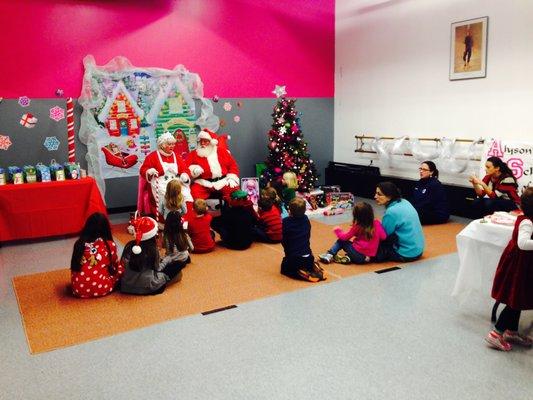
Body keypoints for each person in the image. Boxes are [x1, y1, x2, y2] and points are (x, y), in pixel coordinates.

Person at [485, 187, 533, 351]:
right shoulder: (527, 222)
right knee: (515, 300)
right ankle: (496, 333)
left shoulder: (527, 218)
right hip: (520, 265)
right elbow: (523, 243)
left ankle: (511, 331)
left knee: (518, 298)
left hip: (523, 264)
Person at [120, 216, 184, 295]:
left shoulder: (128, 246)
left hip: (126, 286)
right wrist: (167, 259)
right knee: (178, 265)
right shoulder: (152, 250)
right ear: (152, 236)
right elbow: (158, 268)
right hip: (148, 287)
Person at [139, 131, 192, 219]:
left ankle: (185, 219)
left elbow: (185, 169)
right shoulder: (152, 156)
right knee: (164, 198)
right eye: (169, 144)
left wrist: (185, 175)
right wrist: (149, 171)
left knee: (186, 195)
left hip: (175, 182)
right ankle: (165, 220)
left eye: (173, 144)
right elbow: (143, 170)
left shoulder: (176, 156)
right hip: (160, 183)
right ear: (162, 145)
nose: (172, 146)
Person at [70, 212, 123, 298]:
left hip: (77, 289)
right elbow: (114, 266)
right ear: (106, 229)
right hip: (102, 288)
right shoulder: (109, 244)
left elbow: (74, 266)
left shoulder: (79, 244)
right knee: (122, 267)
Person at [319, 202, 386, 265]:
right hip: (368, 258)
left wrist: (338, 230)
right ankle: (349, 257)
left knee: (341, 241)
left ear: (356, 215)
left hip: (358, 255)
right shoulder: (377, 223)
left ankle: (329, 255)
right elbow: (383, 237)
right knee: (354, 248)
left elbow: (345, 237)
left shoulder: (357, 226)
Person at [373, 182, 425, 262]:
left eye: (379, 194)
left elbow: (383, 236)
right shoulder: (404, 202)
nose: (375, 197)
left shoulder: (391, 212)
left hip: (405, 254)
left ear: (389, 197)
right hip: (418, 250)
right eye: (376, 193)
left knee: (369, 248)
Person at [186, 129, 240, 202]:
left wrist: (232, 178)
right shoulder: (194, 154)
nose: (202, 143)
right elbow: (185, 168)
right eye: (200, 141)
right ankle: (201, 213)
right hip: (203, 183)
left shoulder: (222, 151)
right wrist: (193, 170)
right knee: (193, 194)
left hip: (222, 181)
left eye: (205, 141)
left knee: (235, 192)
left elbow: (233, 166)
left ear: (211, 142)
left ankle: (233, 212)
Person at [280, 197, 326, 282]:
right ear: (304, 210)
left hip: (295, 258)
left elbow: (283, 239)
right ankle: (312, 266)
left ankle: (302, 273)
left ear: (289, 210)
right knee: (303, 255)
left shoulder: (286, 222)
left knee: (284, 267)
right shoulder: (306, 219)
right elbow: (307, 235)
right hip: (308, 256)